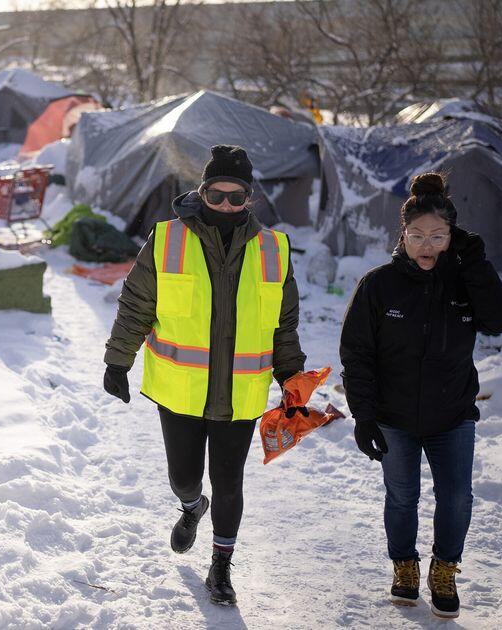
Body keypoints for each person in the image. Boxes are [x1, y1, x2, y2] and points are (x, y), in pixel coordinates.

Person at [103, 145, 306, 606]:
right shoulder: (167, 239)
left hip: (241, 393)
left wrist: (292, 378)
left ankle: (221, 566)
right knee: (184, 477)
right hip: (181, 390)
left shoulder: (274, 249)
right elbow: (137, 304)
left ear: (250, 198)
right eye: (217, 195)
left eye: (237, 197)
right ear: (202, 192)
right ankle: (192, 506)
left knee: (229, 481)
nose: (226, 205)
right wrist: (118, 360)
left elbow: (284, 323)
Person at [339, 172, 502, 619]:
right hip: (394, 417)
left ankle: (444, 569)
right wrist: (363, 416)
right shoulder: (378, 285)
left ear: (452, 236)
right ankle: (404, 566)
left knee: (457, 499)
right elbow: (357, 354)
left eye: (438, 236)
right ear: (403, 233)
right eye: (417, 234)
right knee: (402, 497)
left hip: (452, 414)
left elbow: (500, 321)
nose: (427, 245)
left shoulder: (464, 281)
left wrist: (476, 265)